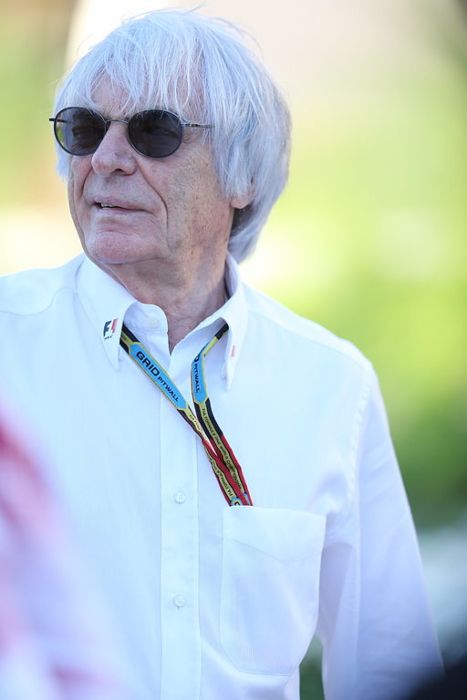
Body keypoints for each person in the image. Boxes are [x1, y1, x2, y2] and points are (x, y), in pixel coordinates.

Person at [0, 9, 443, 700]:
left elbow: (387, 663)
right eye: (86, 129)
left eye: (154, 132)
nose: (108, 158)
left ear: (242, 178)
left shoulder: (330, 386)